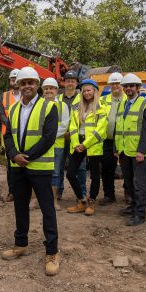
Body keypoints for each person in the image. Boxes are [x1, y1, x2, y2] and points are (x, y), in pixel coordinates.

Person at [2, 67, 61, 276]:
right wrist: (13, 155)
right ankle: (21, 243)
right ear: (18, 84)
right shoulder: (15, 109)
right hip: (18, 167)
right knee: (20, 206)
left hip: (40, 167)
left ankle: (52, 252)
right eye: (24, 82)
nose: (27, 86)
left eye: (31, 82)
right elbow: (7, 135)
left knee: (47, 210)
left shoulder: (49, 107)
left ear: (37, 85)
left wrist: (26, 156)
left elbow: (48, 137)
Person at [114, 74, 146, 226]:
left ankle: (140, 213)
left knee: (139, 184)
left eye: (132, 86)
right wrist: (116, 148)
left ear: (138, 88)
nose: (128, 89)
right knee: (129, 182)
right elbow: (118, 128)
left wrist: (142, 151)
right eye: (126, 86)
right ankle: (132, 206)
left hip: (138, 152)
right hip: (124, 151)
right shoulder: (122, 105)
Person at [66, 79, 107, 216]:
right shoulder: (77, 106)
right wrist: (76, 143)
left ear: (95, 91)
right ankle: (81, 201)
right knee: (70, 173)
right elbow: (72, 126)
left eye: (89, 90)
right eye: (84, 90)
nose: (86, 93)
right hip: (78, 143)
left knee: (95, 175)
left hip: (93, 143)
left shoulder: (102, 107)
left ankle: (92, 202)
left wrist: (85, 144)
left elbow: (101, 130)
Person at [41, 77, 70, 211]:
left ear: (56, 90)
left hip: (57, 145)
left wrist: (48, 136)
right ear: (43, 90)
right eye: (46, 88)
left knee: (55, 173)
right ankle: (35, 200)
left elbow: (64, 125)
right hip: (40, 145)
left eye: (51, 88)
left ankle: (53, 201)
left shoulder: (62, 105)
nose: (48, 91)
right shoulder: (38, 105)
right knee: (38, 171)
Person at [59, 70, 87, 202]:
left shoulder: (83, 98)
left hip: (76, 138)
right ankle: (58, 192)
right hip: (60, 138)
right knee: (58, 166)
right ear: (64, 82)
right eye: (68, 81)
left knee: (80, 168)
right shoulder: (58, 98)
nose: (70, 83)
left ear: (76, 83)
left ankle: (81, 193)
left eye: (73, 81)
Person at [99, 72, 124, 206]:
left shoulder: (128, 99)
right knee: (107, 169)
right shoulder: (103, 100)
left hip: (124, 139)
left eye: (118, 83)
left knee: (127, 168)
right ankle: (109, 195)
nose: (115, 86)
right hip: (107, 140)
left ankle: (129, 193)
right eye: (113, 83)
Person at [1, 69, 21, 202]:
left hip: (24, 134)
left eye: (17, 79)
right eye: (12, 79)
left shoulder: (26, 94)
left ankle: (25, 192)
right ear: (10, 81)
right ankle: (12, 192)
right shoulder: (4, 96)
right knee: (11, 165)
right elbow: (1, 113)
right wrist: (11, 125)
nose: (14, 81)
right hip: (8, 135)